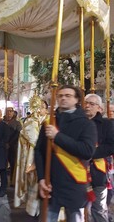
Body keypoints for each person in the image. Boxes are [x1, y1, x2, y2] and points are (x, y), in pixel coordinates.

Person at [35, 85, 97, 221]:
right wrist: (41, 178)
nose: (63, 98)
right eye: (60, 95)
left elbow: (87, 151)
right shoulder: (48, 122)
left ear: (77, 100)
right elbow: (39, 151)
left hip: (74, 183)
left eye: (68, 95)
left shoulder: (86, 124)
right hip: (50, 184)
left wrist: (57, 137)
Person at [14, 97, 48, 217]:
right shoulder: (30, 122)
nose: (40, 110)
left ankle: (41, 212)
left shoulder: (47, 121)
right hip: (32, 158)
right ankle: (37, 213)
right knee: (35, 186)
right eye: (38, 107)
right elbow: (34, 140)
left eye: (42, 108)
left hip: (45, 160)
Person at [84, 94, 114, 222]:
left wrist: (91, 153)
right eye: (86, 103)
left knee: (99, 208)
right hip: (77, 170)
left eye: (91, 104)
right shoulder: (78, 122)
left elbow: (111, 145)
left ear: (99, 108)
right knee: (79, 209)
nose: (87, 106)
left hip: (98, 171)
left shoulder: (106, 124)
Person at [3, 107, 22, 186]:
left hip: (13, 147)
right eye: (7, 111)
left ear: (13, 112)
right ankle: (4, 182)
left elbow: (18, 134)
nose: (9, 113)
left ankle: (12, 181)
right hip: (3, 147)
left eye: (11, 111)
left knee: (13, 164)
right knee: (3, 165)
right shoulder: (2, 122)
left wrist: (9, 143)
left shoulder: (17, 123)